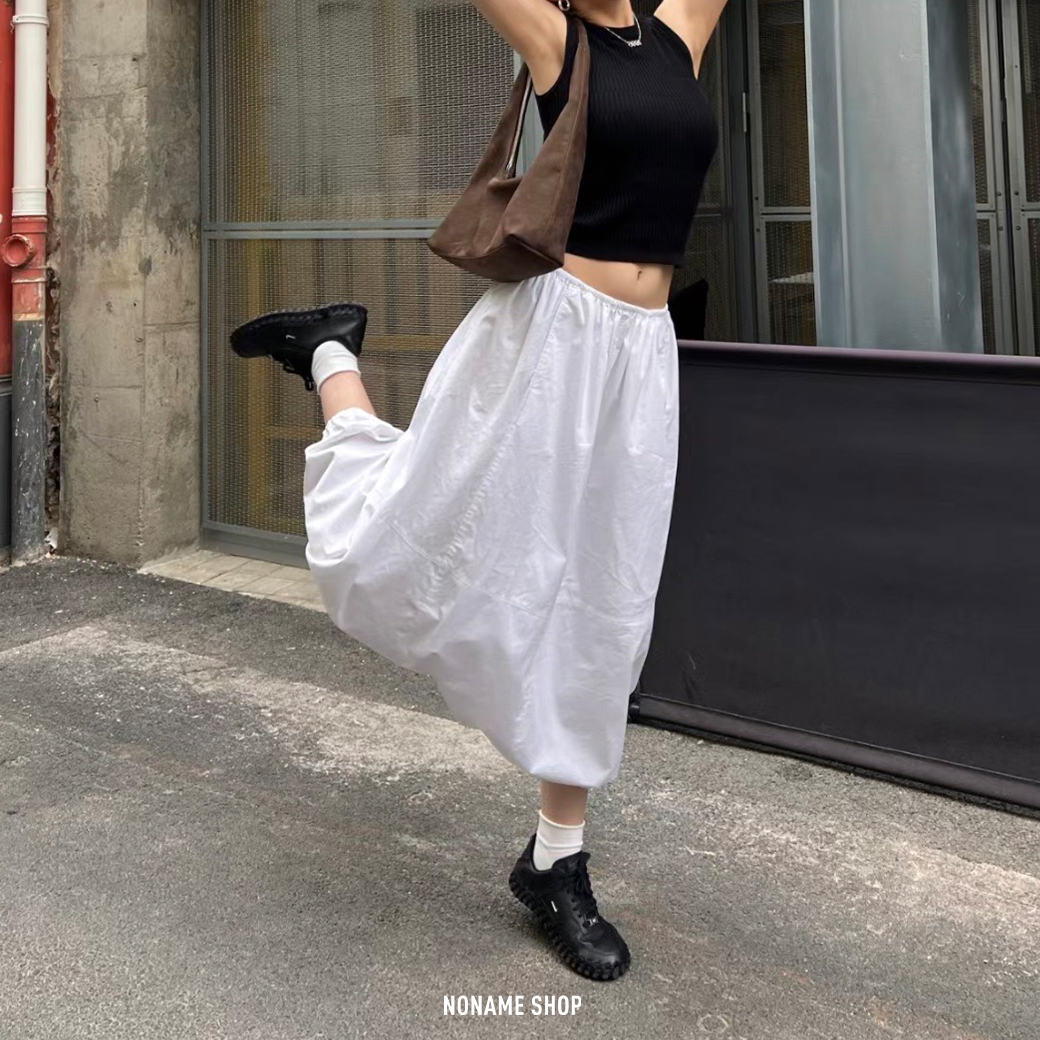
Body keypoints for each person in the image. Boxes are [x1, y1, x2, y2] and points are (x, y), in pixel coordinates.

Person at [229, 0, 726, 982]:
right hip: (545, 343)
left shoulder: (680, 35)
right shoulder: (557, 38)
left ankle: (555, 860)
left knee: (608, 602)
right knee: (406, 538)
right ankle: (328, 353)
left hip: (641, 356)